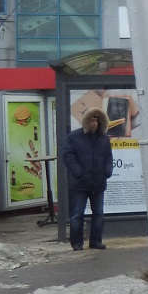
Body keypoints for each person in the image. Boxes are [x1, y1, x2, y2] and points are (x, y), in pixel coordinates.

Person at [62, 106, 114, 251]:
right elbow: (68, 157)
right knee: (77, 214)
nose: (95, 124)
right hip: (79, 183)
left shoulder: (103, 139)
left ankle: (96, 241)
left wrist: (107, 172)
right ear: (86, 122)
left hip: (98, 182)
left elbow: (108, 157)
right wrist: (79, 173)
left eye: (97, 121)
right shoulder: (73, 137)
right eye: (92, 121)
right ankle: (77, 243)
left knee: (98, 214)